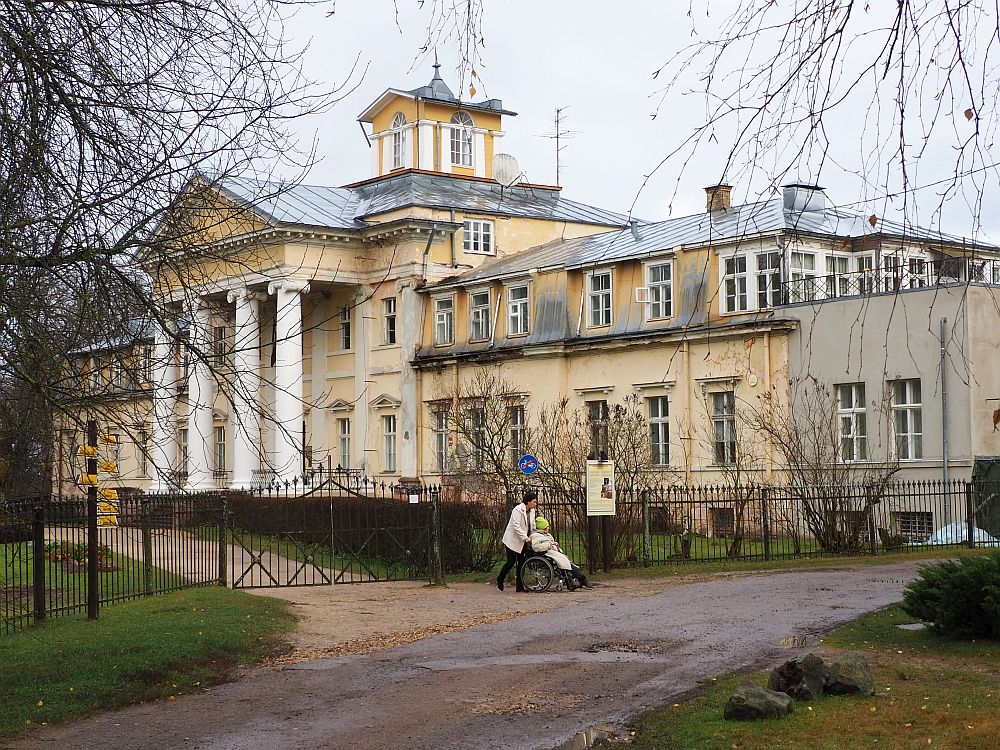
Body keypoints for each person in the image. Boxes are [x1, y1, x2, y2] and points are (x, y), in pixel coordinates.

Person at [529, 516, 591, 589]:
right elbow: (537, 547)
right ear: (543, 528)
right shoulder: (536, 536)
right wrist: (549, 545)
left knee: (567, 564)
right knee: (565, 563)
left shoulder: (546, 535)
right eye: (547, 526)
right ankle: (580, 579)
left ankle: (574, 580)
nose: (549, 528)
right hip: (546, 554)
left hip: (552, 553)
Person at [497, 490, 538, 592]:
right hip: (512, 540)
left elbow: (532, 525)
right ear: (527, 502)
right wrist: (525, 537)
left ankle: (520, 587)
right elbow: (516, 526)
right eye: (534, 501)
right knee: (511, 562)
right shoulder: (518, 510)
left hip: (523, 541)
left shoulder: (532, 512)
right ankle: (500, 578)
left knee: (521, 563)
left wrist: (533, 535)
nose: (535, 504)